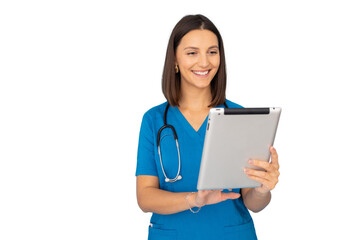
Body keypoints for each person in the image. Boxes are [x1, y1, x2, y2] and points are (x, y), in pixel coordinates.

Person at [136, 14, 280, 240]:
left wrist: (262, 189)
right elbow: (145, 198)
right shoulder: (154, 120)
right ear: (174, 59)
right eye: (192, 52)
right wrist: (195, 199)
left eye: (212, 52)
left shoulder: (240, 117)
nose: (204, 62)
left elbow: (253, 203)